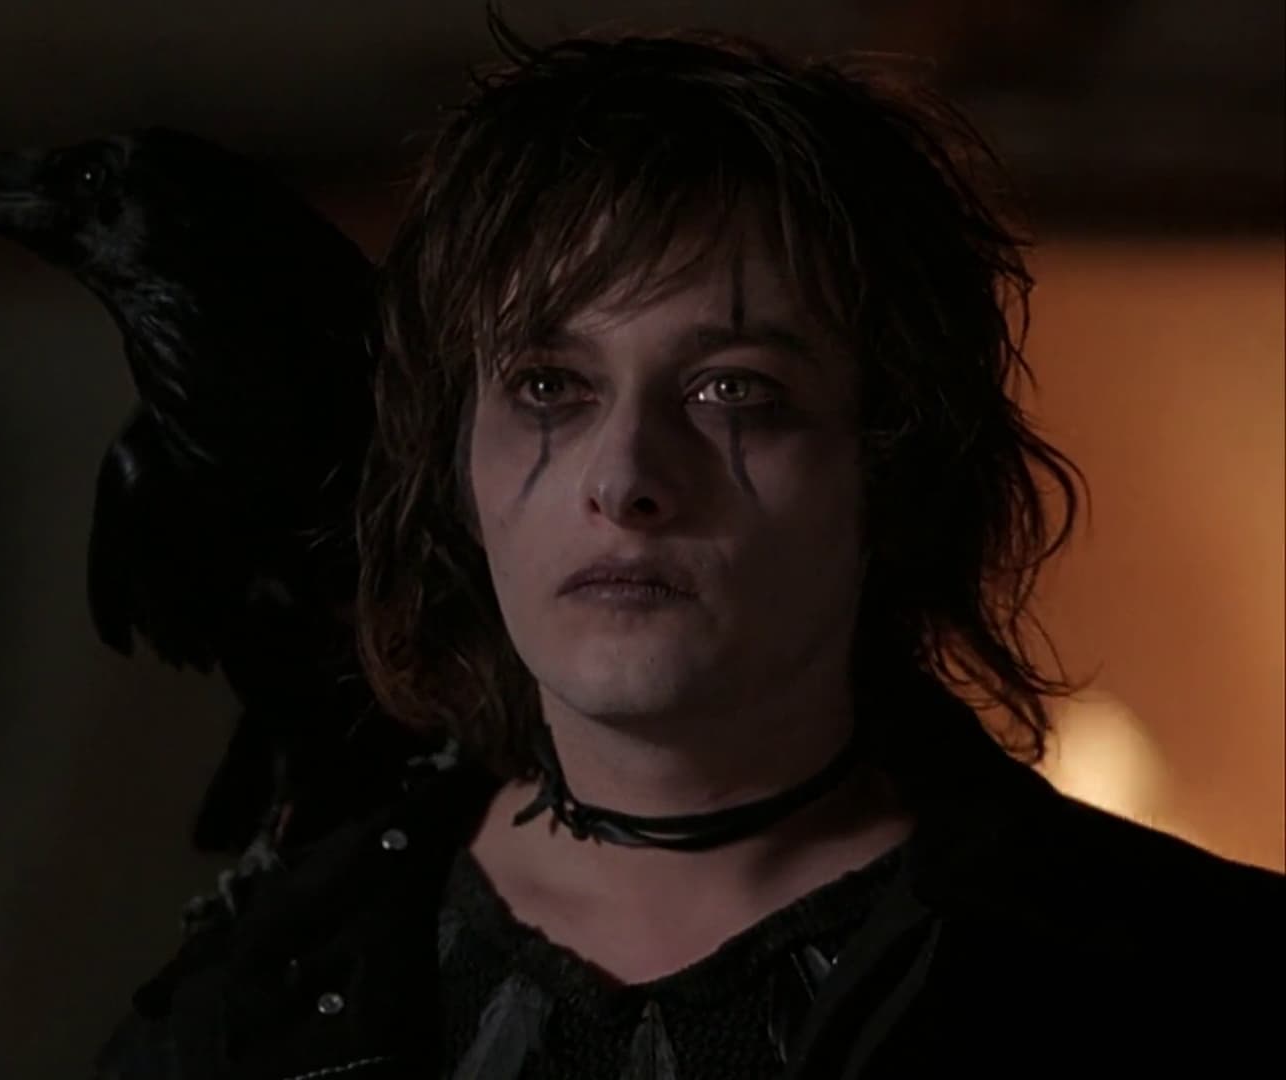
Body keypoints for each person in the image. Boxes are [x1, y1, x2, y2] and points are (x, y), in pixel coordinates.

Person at [92, 24, 1284, 1080]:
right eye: (549, 385)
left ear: (886, 462)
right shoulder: (252, 1013)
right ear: (457, 464)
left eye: (731, 389)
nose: (625, 481)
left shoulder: (1189, 986)